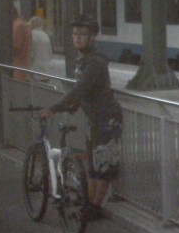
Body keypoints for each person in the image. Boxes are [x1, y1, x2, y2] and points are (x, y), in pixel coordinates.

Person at [41, 14, 123, 219]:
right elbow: (83, 93)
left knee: (103, 164)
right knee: (95, 165)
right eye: (75, 33)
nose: (77, 37)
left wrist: (55, 107)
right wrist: (73, 106)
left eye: (82, 34)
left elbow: (81, 88)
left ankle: (95, 207)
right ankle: (91, 204)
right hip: (95, 119)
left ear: (93, 37)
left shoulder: (95, 62)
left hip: (107, 119)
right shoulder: (84, 60)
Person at [12, 6, 33, 81]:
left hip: (18, 68)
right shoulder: (24, 24)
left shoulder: (18, 26)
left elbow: (16, 47)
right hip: (24, 67)